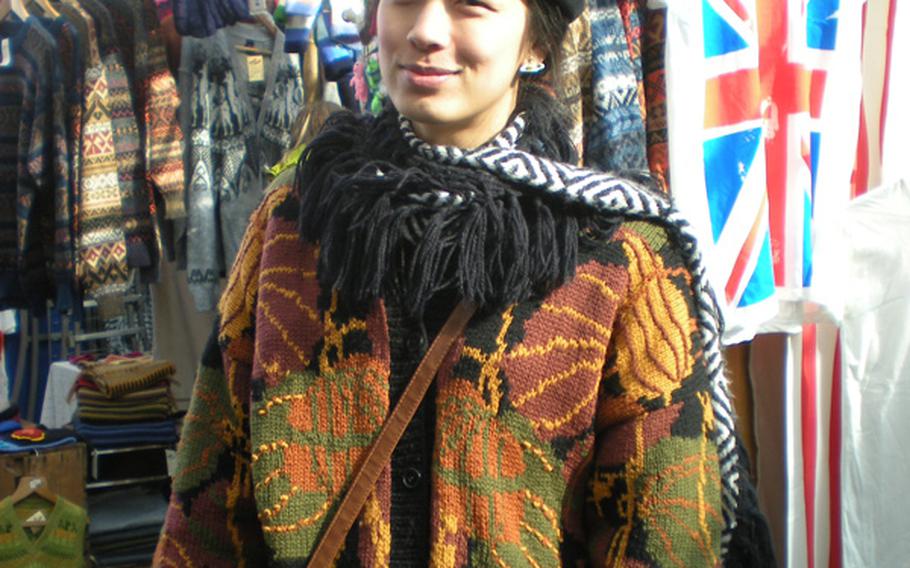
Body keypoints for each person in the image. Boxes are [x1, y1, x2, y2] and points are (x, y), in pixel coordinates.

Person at [155, 0, 771, 565]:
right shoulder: (294, 227)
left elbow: (662, 535)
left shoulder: (619, 258)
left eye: (470, 6)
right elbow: (207, 503)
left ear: (536, 44)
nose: (424, 31)